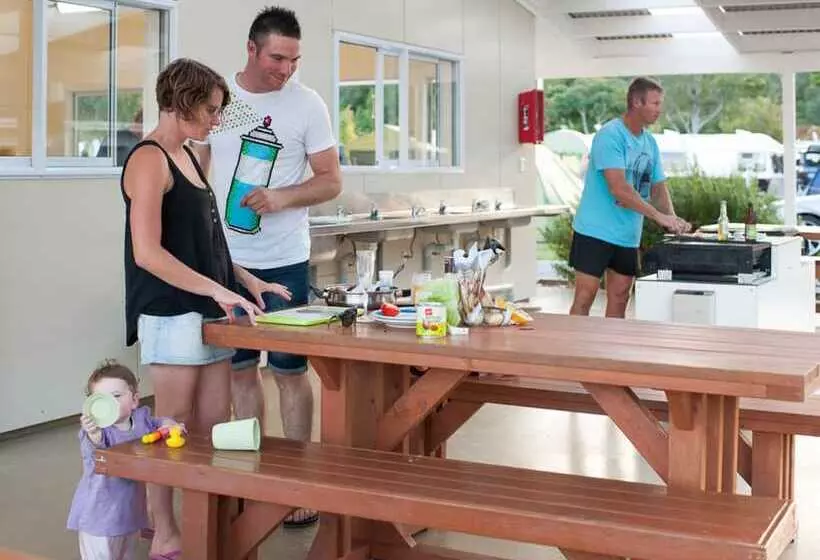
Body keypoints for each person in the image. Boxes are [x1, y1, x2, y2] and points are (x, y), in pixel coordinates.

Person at [122, 57, 291, 558]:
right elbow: (147, 252)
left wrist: (242, 278)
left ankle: (208, 521)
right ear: (181, 104)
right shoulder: (148, 159)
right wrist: (216, 290)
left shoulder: (192, 157)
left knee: (216, 424)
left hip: (208, 312)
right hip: (171, 311)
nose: (217, 119)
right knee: (171, 426)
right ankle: (163, 529)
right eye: (211, 110)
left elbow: (206, 240)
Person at [195, 6, 342, 527]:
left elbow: (330, 179)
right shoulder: (223, 103)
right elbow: (200, 165)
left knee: (290, 372)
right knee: (239, 374)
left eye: (294, 59)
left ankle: (298, 480)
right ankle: (253, 475)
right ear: (252, 50)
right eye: (277, 57)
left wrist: (281, 197)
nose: (286, 69)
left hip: (284, 262)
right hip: (227, 264)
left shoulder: (307, 105)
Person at [569, 77, 691, 319]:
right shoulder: (610, 135)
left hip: (627, 235)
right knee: (585, 296)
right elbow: (619, 189)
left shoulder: (650, 143)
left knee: (621, 295)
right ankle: (573, 352)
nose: (660, 109)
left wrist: (673, 219)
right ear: (637, 102)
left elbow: (658, 187)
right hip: (595, 231)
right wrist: (658, 217)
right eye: (655, 103)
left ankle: (611, 352)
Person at [67, 360, 182, 560]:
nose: (111, 403)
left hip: (129, 513)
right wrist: (93, 433)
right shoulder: (99, 431)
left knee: (125, 554)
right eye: (102, 399)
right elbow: (97, 447)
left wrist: (169, 424)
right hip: (99, 515)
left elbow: (157, 424)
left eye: (117, 396)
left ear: (135, 399)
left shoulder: (140, 419)